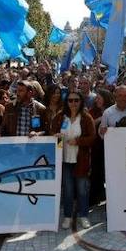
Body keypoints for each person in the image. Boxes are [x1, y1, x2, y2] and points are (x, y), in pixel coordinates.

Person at [51, 91, 96, 230]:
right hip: (64, 159)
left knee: (82, 190)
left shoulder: (86, 118)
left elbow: (92, 138)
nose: (73, 103)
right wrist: (58, 138)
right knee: (68, 191)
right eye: (70, 100)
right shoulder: (60, 117)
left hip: (80, 159)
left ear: (81, 102)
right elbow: (53, 135)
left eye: (76, 100)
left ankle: (84, 216)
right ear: (66, 102)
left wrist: (78, 141)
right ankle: (67, 216)